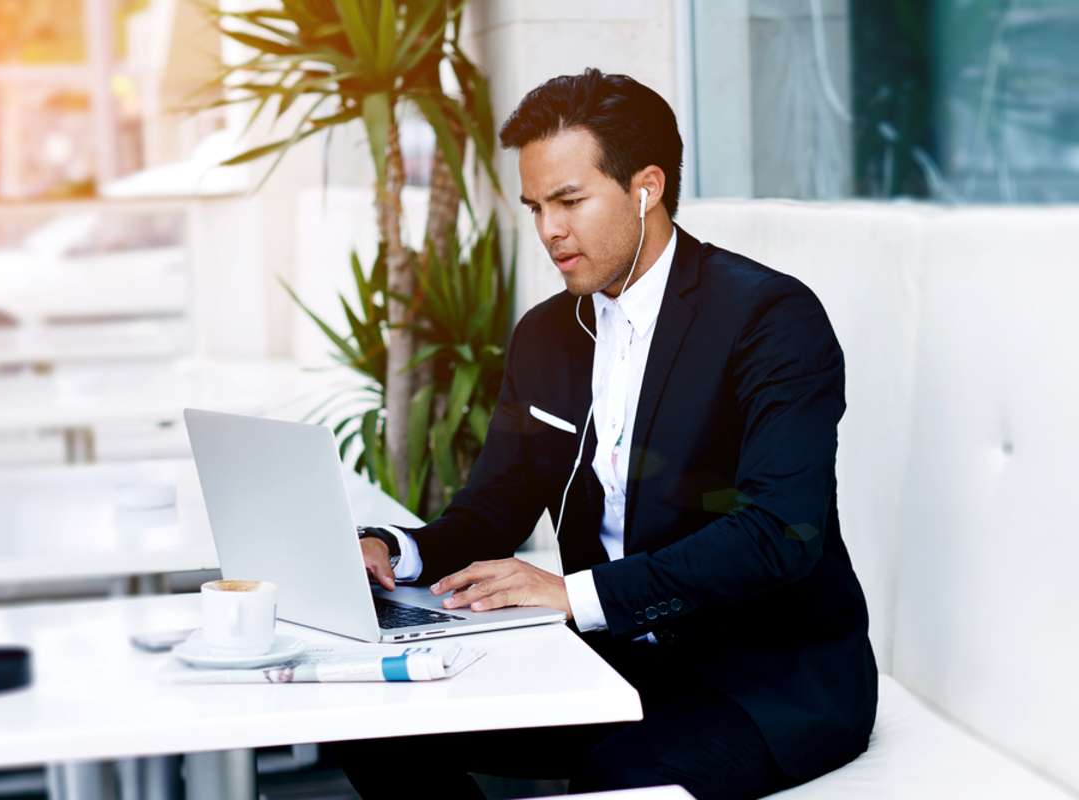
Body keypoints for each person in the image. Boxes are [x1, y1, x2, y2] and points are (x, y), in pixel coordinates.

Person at [339, 67, 877, 800]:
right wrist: (396, 552)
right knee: (375, 726)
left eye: (569, 201)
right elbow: (494, 508)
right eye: (535, 207)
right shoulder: (545, 335)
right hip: (610, 659)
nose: (549, 231)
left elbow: (780, 533)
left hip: (762, 685)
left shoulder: (769, 319)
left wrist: (576, 596)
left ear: (646, 187)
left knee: (612, 776)